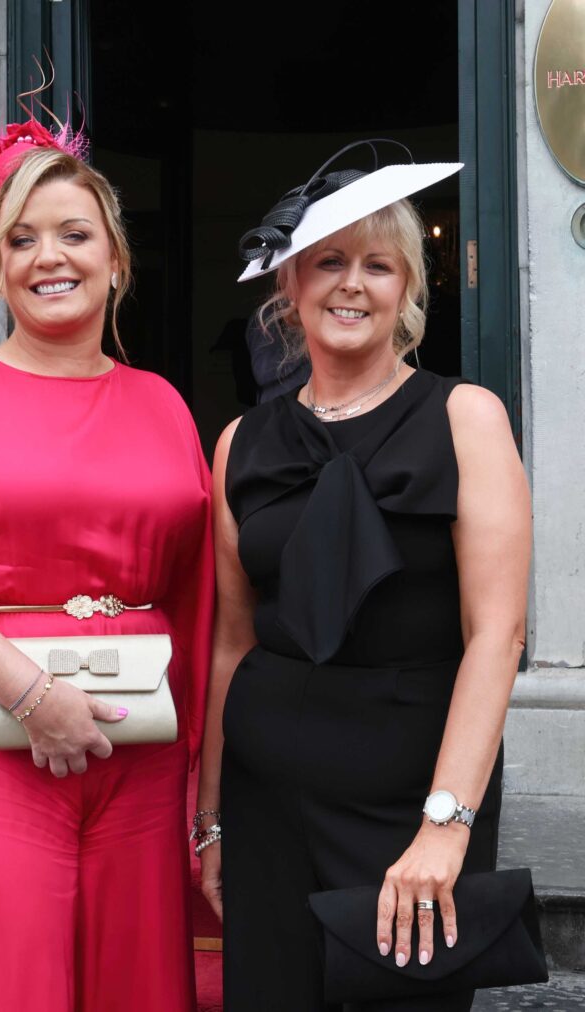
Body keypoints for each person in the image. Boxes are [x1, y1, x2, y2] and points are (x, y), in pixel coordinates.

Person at [0, 117, 214, 1011]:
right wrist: (33, 697)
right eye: (21, 239)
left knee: (135, 978)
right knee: (0, 975)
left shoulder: (165, 403)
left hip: (137, 744)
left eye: (73, 234)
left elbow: (199, 593)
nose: (46, 256)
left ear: (114, 259)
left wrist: (200, 779)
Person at [195, 142, 531, 1011]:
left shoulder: (467, 419)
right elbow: (233, 641)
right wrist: (213, 816)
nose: (352, 284)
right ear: (291, 287)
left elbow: (497, 635)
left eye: (378, 265)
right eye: (329, 262)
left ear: (408, 289)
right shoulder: (240, 443)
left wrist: (445, 825)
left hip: (411, 803)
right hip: (267, 800)